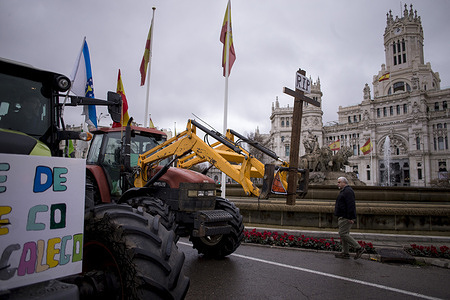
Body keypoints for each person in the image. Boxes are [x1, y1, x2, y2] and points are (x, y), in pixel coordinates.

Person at [334, 176, 365, 259]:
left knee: (343, 233)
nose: (338, 184)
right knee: (345, 234)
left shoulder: (348, 191)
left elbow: (351, 205)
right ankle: (345, 252)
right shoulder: (345, 190)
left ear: (344, 183)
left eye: (339, 182)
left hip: (346, 217)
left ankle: (359, 248)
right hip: (343, 215)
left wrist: (350, 217)